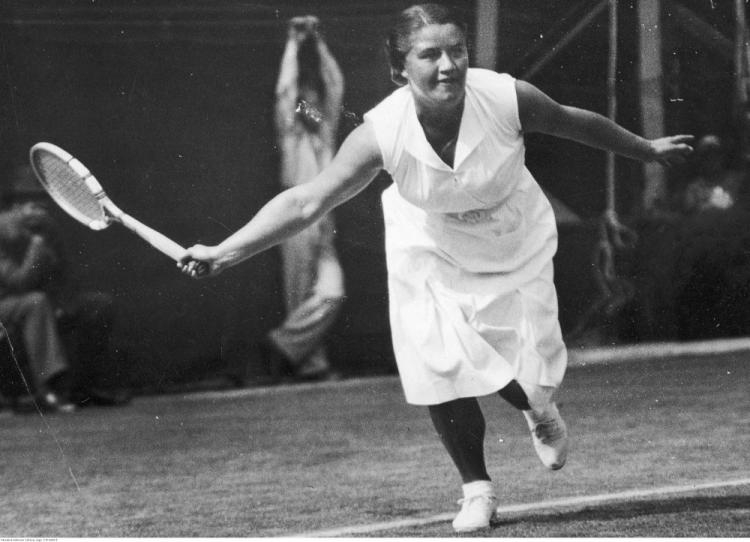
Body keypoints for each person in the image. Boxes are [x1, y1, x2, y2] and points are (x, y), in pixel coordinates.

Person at [179, 4, 693, 533]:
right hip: (427, 242)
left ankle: (539, 409)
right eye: (429, 55)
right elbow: (307, 202)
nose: (448, 65)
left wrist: (645, 148)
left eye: (457, 51)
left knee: (531, 375)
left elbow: (570, 121)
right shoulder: (380, 133)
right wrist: (224, 251)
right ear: (400, 69)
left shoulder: (505, 97)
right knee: (438, 362)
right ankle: (477, 490)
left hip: (512, 234)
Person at [257, 15, 346, 383]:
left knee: (330, 293)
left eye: (312, 102)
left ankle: (280, 346)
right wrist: (294, 44)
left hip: (324, 221)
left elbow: (335, 86)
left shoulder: (325, 136)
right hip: (293, 221)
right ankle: (310, 366)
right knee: (300, 296)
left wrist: (320, 43)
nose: (308, 106)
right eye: (303, 103)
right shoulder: (292, 137)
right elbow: (285, 92)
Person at [0, 165, 126, 412]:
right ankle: (47, 391)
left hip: (39, 303)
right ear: (14, 208)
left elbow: (65, 275)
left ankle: (84, 388)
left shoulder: (45, 229)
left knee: (97, 306)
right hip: (7, 304)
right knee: (35, 303)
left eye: (44, 206)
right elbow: (17, 283)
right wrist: (37, 249)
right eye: (33, 206)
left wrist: (62, 303)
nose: (41, 212)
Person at [682, 134, 743, 213]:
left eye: (715, 155)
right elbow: (690, 217)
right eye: (707, 157)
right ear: (701, 161)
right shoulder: (693, 189)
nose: (712, 160)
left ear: (722, 157)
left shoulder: (736, 181)